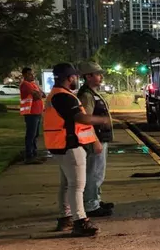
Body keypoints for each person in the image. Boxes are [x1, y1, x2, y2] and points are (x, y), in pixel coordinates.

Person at [43, 63, 110, 237]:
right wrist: (100, 120)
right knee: (76, 185)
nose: (76, 80)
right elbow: (80, 117)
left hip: (59, 144)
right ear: (70, 77)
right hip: (70, 144)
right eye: (75, 77)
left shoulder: (55, 95)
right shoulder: (64, 96)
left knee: (67, 184)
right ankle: (81, 221)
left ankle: (65, 218)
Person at [77, 62, 115, 218]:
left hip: (99, 138)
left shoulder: (93, 93)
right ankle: (91, 205)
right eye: (98, 74)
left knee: (98, 172)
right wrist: (95, 141)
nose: (101, 77)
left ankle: (95, 200)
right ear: (88, 76)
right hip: (95, 139)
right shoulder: (86, 95)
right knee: (94, 173)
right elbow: (85, 120)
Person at [19, 67, 46, 164]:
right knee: (31, 135)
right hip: (31, 113)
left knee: (35, 135)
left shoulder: (33, 84)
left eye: (33, 74)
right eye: (30, 74)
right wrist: (39, 93)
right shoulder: (25, 85)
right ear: (25, 75)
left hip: (37, 112)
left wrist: (38, 92)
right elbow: (38, 95)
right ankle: (29, 156)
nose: (33, 76)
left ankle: (34, 154)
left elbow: (43, 95)